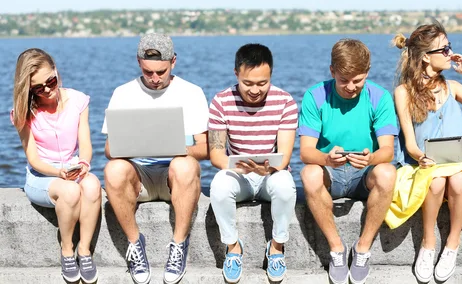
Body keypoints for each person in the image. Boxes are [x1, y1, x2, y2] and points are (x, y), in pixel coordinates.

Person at [386, 22, 462, 282]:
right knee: (435, 181)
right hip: (425, 165)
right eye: (444, 50)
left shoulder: (452, 87)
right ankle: (428, 243)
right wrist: (420, 156)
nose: (450, 53)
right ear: (425, 57)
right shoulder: (403, 92)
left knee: (456, 179)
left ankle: (452, 243)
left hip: (459, 162)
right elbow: (409, 142)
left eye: (449, 47)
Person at [102, 33, 209, 284]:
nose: (155, 78)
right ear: (139, 62)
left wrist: (177, 149)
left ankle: (179, 245)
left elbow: (206, 148)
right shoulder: (123, 93)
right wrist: (131, 146)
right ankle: (135, 244)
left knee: (184, 164)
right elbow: (108, 149)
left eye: (161, 71)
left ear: (174, 61)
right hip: (140, 176)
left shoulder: (192, 92)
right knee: (113, 169)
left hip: (175, 177)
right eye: (149, 72)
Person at [298, 38, 398, 284]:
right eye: (344, 81)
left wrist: (371, 158)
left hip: (365, 173)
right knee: (309, 174)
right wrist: (326, 159)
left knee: (387, 173)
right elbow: (306, 152)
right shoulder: (315, 96)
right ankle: (337, 249)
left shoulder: (379, 97)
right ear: (332, 71)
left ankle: (363, 249)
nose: (351, 87)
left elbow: (388, 151)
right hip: (330, 172)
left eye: (358, 80)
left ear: (368, 73)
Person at [208, 43, 298, 283]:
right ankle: (233, 247)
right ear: (236, 73)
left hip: (270, 174)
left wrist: (267, 168)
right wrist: (240, 166)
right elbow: (216, 154)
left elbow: (285, 156)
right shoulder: (221, 101)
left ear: (271, 76)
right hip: (240, 175)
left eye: (262, 83)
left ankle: (277, 247)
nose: (255, 90)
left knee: (285, 184)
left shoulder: (285, 102)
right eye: (248, 83)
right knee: (218, 185)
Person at [11, 48, 101, 283]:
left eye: (51, 81)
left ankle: (84, 249)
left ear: (56, 71)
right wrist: (58, 173)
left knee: (92, 186)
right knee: (70, 191)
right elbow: (33, 159)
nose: (48, 90)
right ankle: (67, 249)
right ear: (28, 88)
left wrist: (83, 163)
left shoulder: (78, 100)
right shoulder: (23, 112)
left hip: (72, 167)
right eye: (39, 88)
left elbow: (86, 144)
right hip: (42, 175)